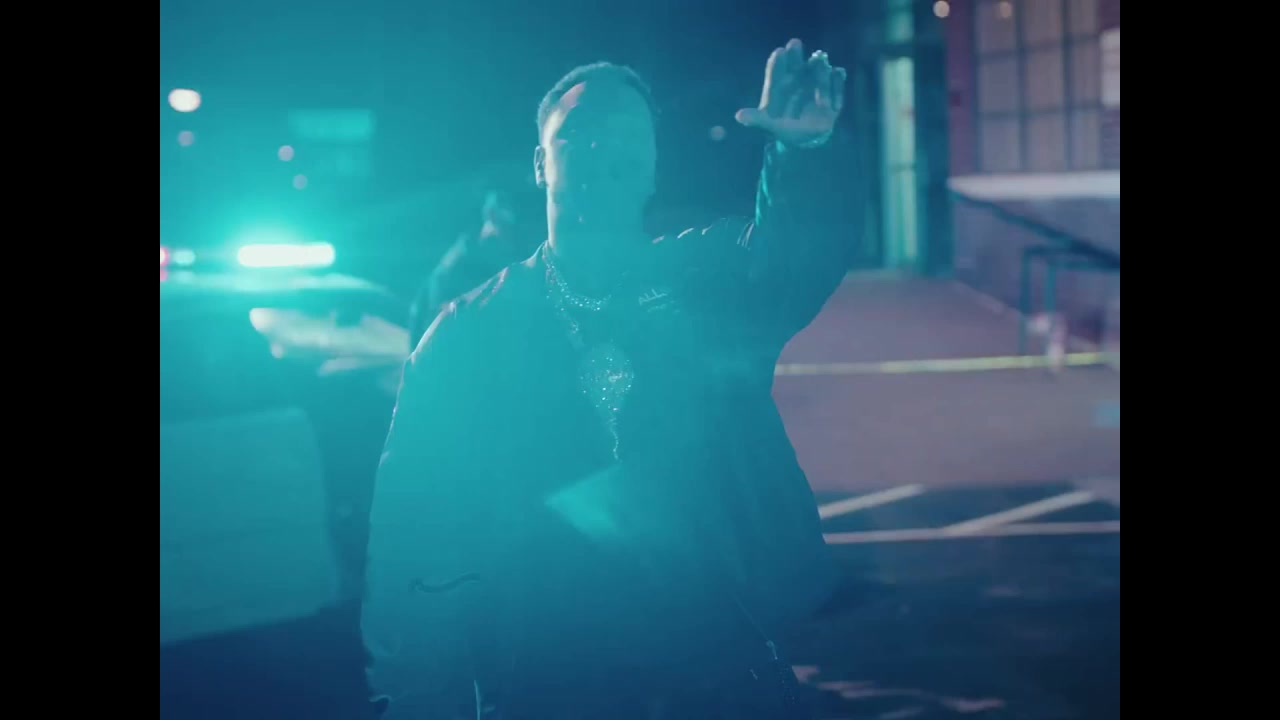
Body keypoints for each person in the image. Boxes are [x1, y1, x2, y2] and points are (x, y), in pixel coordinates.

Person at [363, 39, 855, 719]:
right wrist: (417, 702)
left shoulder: (704, 286)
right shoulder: (467, 335)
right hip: (545, 681)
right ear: (541, 163)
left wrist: (802, 153)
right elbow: (412, 539)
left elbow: (791, 260)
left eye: (627, 134)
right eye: (579, 133)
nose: (603, 148)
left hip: (718, 672)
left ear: (653, 167)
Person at [408, 191, 534, 349]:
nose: (513, 235)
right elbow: (437, 304)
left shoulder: (509, 259)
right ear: (492, 216)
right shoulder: (463, 255)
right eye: (506, 224)